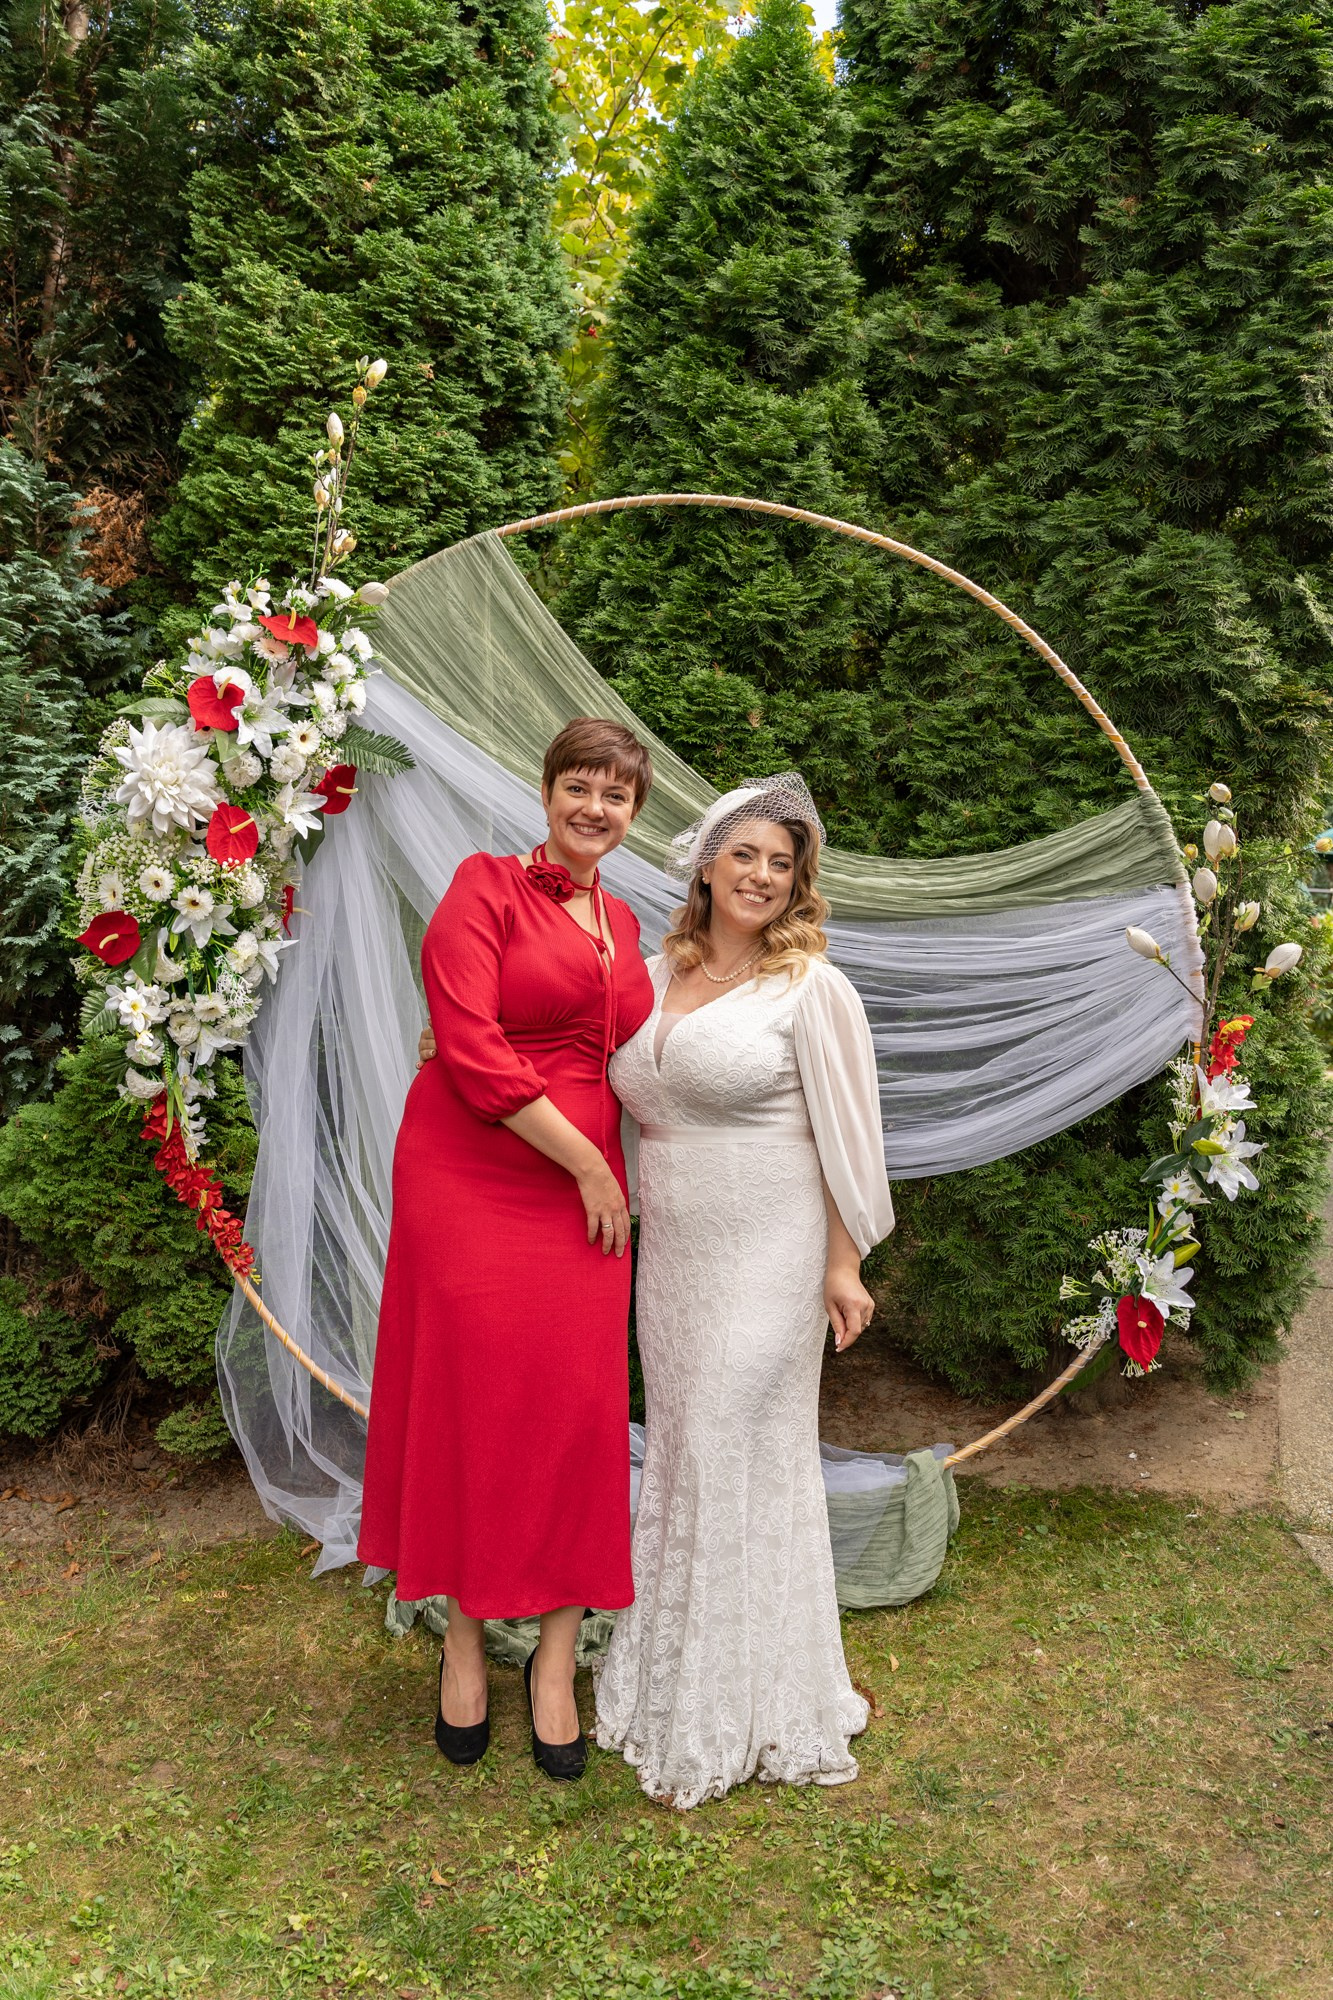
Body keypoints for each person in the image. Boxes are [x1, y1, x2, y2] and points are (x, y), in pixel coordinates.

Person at [358, 717, 655, 1782]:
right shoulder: (484, 885)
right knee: (472, 1402)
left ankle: (557, 1662)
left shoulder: (626, 919)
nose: (594, 807)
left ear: (634, 812)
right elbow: (472, 1045)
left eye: (615, 794)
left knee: (576, 1410)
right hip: (475, 1170)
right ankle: (464, 1641)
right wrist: (587, 1165)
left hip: (587, 1191)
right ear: (545, 791)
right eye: (579, 785)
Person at [594, 774, 895, 1808]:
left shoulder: (811, 987)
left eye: (782, 863)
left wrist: (844, 1263)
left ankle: (741, 1701)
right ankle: (676, 1674)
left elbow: (851, 1137)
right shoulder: (646, 976)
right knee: (688, 1449)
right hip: (673, 1258)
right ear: (706, 865)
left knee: (725, 1437)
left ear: (796, 883)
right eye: (746, 856)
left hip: (771, 1247)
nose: (762, 876)